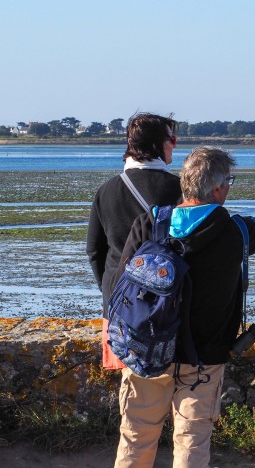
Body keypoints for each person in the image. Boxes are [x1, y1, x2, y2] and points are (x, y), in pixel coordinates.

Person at [113, 146, 255, 468]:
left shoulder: (151, 222)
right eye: (229, 181)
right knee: (192, 439)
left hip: (146, 349)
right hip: (203, 357)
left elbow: (121, 284)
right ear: (217, 188)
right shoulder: (234, 231)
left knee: (135, 435)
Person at [86, 112, 182, 370]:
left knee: (131, 391)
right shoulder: (181, 189)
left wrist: (112, 290)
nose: (176, 144)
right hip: (167, 306)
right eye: (172, 139)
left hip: (120, 304)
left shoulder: (106, 190)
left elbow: (94, 251)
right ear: (159, 144)